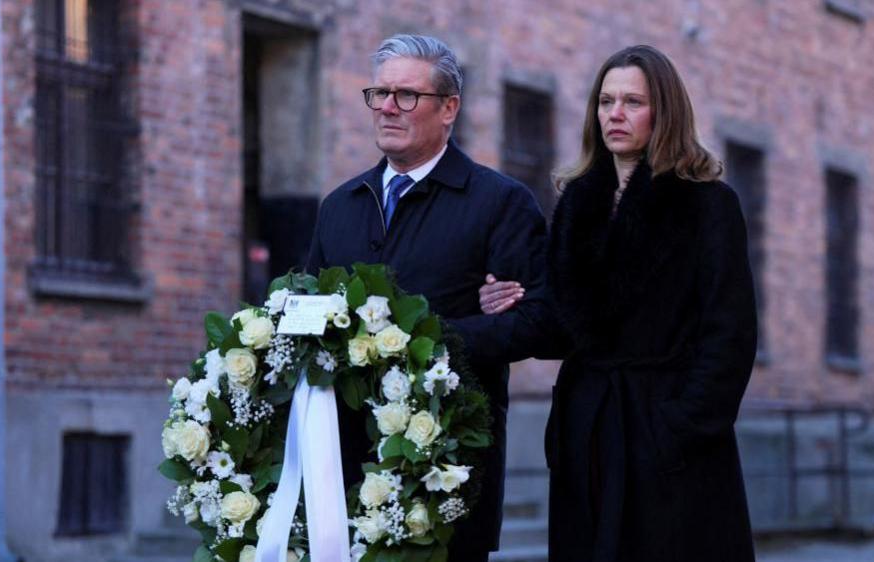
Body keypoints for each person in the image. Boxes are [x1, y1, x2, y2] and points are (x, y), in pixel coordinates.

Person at [479, 45, 758, 561]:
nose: (615, 114)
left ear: (665, 111)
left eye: (633, 101)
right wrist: (507, 302)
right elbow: (565, 326)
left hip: (668, 436)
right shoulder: (576, 203)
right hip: (588, 431)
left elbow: (730, 335)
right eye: (606, 101)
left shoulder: (708, 204)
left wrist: (677, 430)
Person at [305, 34, 550, 561]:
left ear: (449, 108)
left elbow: (538, 323)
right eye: (380, 93)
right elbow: (306, 313)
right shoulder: (340, 206)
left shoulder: (499, 202)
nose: (388, 106)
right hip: (346, 465)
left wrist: (417, 340)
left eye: (407, 95)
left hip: (447, 468)